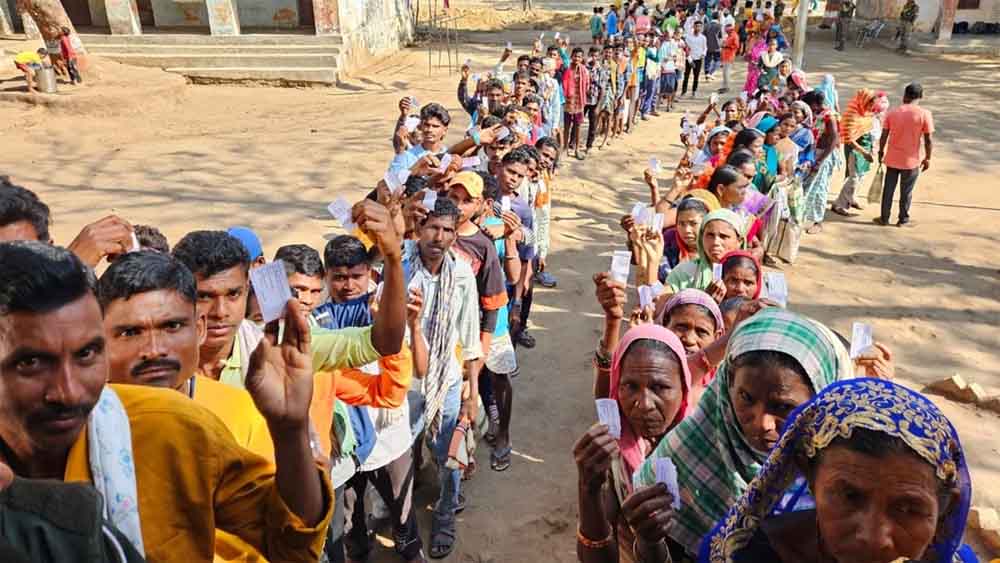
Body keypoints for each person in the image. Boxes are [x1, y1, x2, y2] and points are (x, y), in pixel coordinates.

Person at [0, 241, 333, 561]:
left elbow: (290, 542)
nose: (69, 391)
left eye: (85, 354)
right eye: (31, 362)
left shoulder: (171, 425)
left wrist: (289, 430)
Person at [626, 309, 858, 559]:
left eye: (783, 407)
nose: (762, 423)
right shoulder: (682, 457)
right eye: (746, 398)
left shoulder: (847, 478)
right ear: (728, 385)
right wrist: (649, 540)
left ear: (821, 400)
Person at [701, 378, 977, 563]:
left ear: (946, 508)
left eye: (907, 509)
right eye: (849, 497)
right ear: (810, 476)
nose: (872, 538)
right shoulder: (744, 555)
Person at [402, 197, 483, 558]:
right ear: (419, 229)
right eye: (432, 227)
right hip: (404, 383)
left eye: (447, 230)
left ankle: (446, 514)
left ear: (455, 234)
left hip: (446, 380)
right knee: (401, 455)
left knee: (450, 454)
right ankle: (402, 521)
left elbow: (470, 336)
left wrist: (471, 394)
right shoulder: (401, 269)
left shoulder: (462, 275)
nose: (439, 237)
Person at [573, 326, 692, 563]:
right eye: (630, 386)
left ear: (684, 389)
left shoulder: (703, 448)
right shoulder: (610, 451)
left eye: (660, 387)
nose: (644, 404)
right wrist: (588, 490)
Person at [876, 82, 933, 227]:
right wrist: (927, 158)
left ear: (905, 95)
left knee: (888, 190)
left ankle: (884, 218)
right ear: (920, 96)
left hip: (892, 159)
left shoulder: (892, 113)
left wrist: (881, 151)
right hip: (911, 161)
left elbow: (884, 136)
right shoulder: (924, 114)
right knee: (906, 192)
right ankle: (903, 220)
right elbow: (928, 140)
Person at [666, 208, 745, 293]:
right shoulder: (683, 273)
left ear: (739, 241)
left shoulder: (750, 274)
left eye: (723, 236)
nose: (715, 242)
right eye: (710, 235)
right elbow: (662, 299)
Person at [801, 89, 843, 234]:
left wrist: (820, 161)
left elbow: (834, 139)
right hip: (815, 153)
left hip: (825, 155)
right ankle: (807, 216)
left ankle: (818, 221)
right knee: (809, 186)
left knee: (820, 187)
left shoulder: (829, 117)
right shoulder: (817, 114)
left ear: (815, 104)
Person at [832, 89, 878, 216]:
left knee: (861, 176)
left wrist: (873, 146)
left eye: (873, 104)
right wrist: (864, 152)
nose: (871, 107)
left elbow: (871, 130)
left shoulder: (867, 113)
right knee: (853, 178)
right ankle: (839, 204)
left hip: (866, 148)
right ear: (864, 101)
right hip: (855, 150)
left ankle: (852, 198)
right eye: (870, 104)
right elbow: (849, 139)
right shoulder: (852, 115)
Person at [274, 243, 325, 316]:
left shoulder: (327, 319)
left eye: (315, 291)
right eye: (299, 289)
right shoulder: (257, 321)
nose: (308, 301)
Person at [563, 48, 591, 160]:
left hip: (579, 102)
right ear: (571, 57)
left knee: (578, 126)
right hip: (568, 103)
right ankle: (565, 148)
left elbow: (587, 84)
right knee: (566, 126)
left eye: (579, 57)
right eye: (575, 56)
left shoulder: (584, 70)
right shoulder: (567, 69)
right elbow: (564, 83)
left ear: (582, 58)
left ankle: (576, 149)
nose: (576, 59)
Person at [682, 20, 707, 98]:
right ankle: (684, 92)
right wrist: (689, 58)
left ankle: (694, 91)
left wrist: (703, 54)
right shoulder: (688, 37)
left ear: (701, 27)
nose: (698, 28)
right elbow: (685, 48)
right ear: (694, 26)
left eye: (699, 26)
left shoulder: (703, 38)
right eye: (696, 26)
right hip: (689, 58)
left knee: (696, 76)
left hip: (698, 59)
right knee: (686, 76)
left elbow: (705, 48)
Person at [719, 23, 739, 93]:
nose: (726, 31)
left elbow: (736, 46)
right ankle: (724, 87)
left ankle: (727, 87)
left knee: (726, 73)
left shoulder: (734, 36)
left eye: (727, 30)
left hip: (730, 56)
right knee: (724, 73)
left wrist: (727, 46)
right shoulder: (728, 36)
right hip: (725, 56)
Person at [703, 17, 723, 82]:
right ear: (718, 18)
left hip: (707, 46)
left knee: (707, 60)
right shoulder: (719, 26)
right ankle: (710, 73)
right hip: (716, 47)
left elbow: (703, 36)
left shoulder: (706, 25)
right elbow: (720, 37)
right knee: (717, 61)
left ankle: (707, 74)